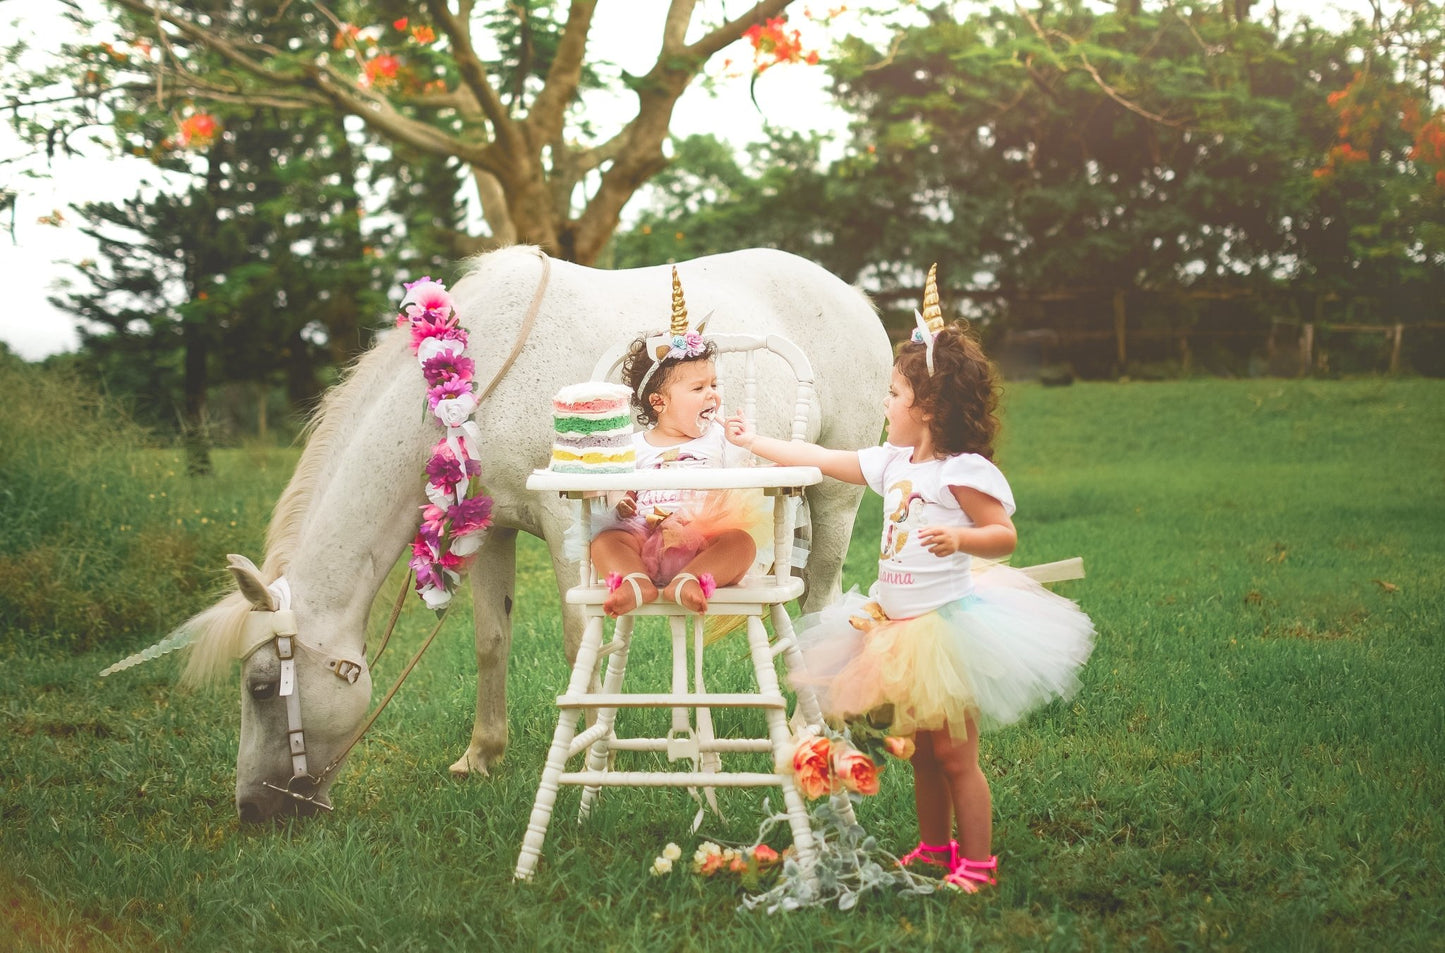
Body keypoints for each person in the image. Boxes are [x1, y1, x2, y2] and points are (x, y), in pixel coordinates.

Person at [724, 265, 1094, 893]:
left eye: (893, 395)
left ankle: (976, 864)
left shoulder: (961, 472)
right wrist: (754, 439)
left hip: (943, 633)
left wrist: (961, 538)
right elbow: (822, 458)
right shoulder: (893, 460)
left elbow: (1003, 534)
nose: (883, 405)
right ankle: (932, 848)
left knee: (956, 756)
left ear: (929, 408)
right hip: (891, 625)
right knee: (921, 753)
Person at [591, 269, 760, 618]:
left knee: (740, 543)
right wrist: (619, 500)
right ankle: (634, 581)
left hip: (702, 539)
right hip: (644, 534)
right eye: (698, 389)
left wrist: (742, 442)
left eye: (713, 384)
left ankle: (690, 582)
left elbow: (745, 482)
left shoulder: (719, 439)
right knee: (606, 542)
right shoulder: (634, 445)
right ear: (659, 403)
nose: (712, 393)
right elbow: (615, 490)